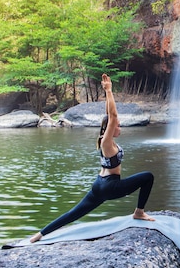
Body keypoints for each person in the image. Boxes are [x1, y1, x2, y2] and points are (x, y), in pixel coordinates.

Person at [29, 73, 155, 243]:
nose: (119, 127)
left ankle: (39, 235)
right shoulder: (106, 142)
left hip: (99, 185)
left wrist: (106, 94)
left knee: (74, 213)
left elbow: (108, 116)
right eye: (118, 126)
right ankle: (139, 212)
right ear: (110, 127)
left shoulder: (103, 140)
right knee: (148, 177)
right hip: (111, 186)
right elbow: (112, 116)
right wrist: (109, 91)